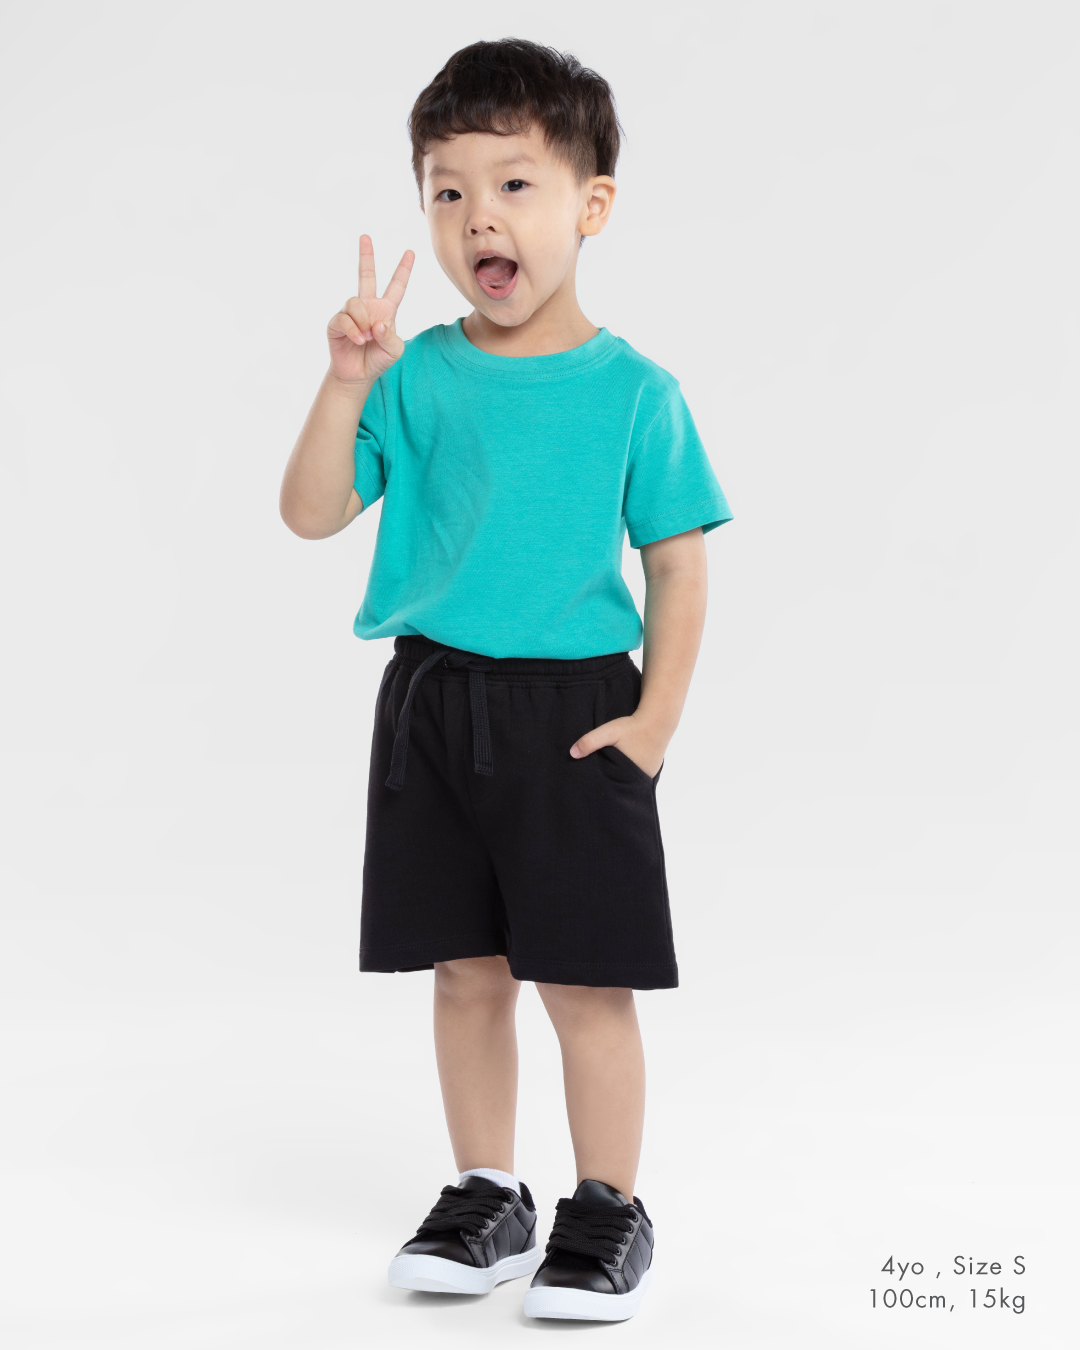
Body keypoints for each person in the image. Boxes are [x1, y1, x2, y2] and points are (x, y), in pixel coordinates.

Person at [280, 38, 732, 1323]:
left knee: (585, 981)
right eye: (449, 190)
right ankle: (487, 1192)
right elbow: (312, 512)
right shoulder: (416, 373)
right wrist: (345, 384)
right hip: (431, 706)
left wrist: (653, 721)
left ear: (591, 205)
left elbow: (677, 564)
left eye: (515, 185)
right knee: (467, 970)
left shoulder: (636, 392)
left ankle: (608, 1207)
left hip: (577, 714)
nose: (480, 216)